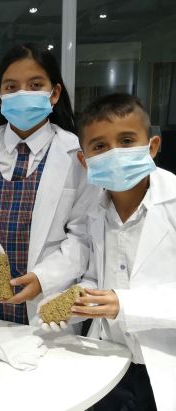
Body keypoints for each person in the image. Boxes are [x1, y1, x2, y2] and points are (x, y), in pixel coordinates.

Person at [0, 43, 98, 324]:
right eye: (11, 87)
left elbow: (84, 237)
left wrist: (44, 278)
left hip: (42, 295)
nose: (22, 93)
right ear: (1, 95)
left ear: (55, 94)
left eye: (35, 84)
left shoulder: (76, 153)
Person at [64, 93, 175, 410]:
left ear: (151, 147)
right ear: (85, 161)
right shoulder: (96, 213)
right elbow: (95, 276)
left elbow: (121, 300)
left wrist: (123, 304)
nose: (114, 153)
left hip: (162, 366)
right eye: (99, 146)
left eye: (127, 141)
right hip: (110, 361)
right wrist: (78, 297)